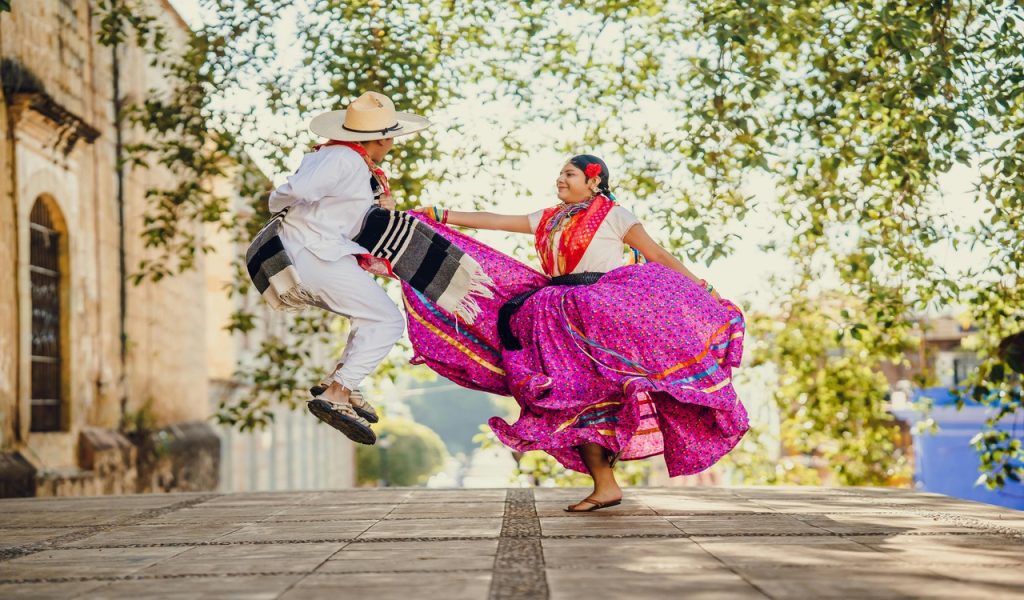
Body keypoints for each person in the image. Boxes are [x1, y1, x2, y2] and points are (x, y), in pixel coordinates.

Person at [408, 155, 747, 511]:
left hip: (603, 310)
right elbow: (494, 221)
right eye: (560, 174)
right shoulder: (548, 218)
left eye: (569, 174)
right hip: (555, 318)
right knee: (574, 397)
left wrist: (702, 288)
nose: (560, 179)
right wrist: (439, 215)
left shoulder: (615, 216)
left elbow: (657, 254)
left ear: (593, 181)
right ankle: (606, 486)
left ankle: (666, 424)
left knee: (614, 391)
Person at [260, 91, 430, 444]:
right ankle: (337, 393)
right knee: (387, 320)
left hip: (318, 253)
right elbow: (296, 190)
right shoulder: (344, 159)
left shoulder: (345, 160)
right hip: (315, 253)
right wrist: (280, 201)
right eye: (391, 138)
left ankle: (339, 380)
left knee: (369, 316)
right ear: (383, 137)